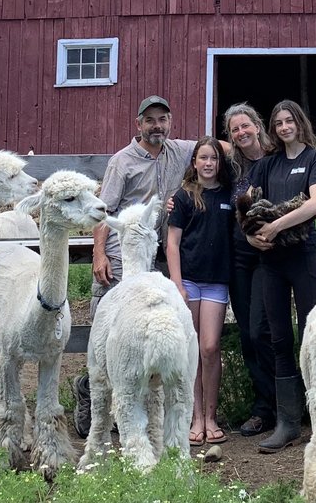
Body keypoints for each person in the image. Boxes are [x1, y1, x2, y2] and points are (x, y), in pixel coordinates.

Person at [72, 95, 196, 438]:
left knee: (145, 332)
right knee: (108, 336)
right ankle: (91, 393)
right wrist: (100, 254)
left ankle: (139, 411)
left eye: (163, 119)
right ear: (138, 124)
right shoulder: (121, 162)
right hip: (120, 256)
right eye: (150, 120)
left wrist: (253, 145)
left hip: (154, 256)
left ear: (170, 122)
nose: (157, 126)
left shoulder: (178, 150)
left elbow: (215, 148)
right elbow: (103, 210)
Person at [247, 99, 316, 454]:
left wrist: (276, 225)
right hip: (272, 263)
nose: (284, 127)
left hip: (303, 256)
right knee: (279, 338)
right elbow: (247, 206)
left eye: (289, 121)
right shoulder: (268, 165)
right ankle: (287, 422)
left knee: (314, 334)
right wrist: (252, 235)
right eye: (278, 123)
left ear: (300, 122)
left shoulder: (315, 160)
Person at [167, 136, 234, 447]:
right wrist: (177, 284)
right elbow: (173, 244)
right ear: (193, 163)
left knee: (210, 347)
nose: (208, 163)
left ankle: (211, 415)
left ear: (220, 163)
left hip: (217, 281)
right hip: (190, 281)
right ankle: (194, 418)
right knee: (191, 348)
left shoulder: (230, 195)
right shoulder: (182, 198)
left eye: (214, 158)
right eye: (203, 158)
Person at [224, 102, 277, 437]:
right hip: (240, 256)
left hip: (270, 255)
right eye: (234, 130)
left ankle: (284, 404)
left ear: (257, 125)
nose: (241, 133)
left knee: (266, 330)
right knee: (247, 332)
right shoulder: (232, 166)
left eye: (245, 126)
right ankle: (264, 407)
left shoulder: (277, 160)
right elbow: (200, 160)